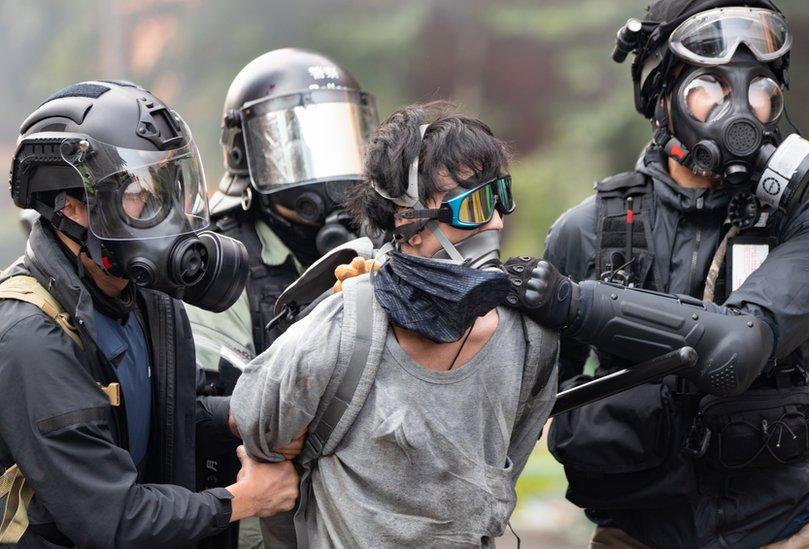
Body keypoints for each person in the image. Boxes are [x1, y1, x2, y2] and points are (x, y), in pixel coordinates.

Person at [502, 1, 809, 546]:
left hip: (783, 531)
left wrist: (578, 305)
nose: (739, 107)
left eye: (759, 87)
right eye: (710, 86)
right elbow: (518, 400)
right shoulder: (588, 230)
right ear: (660, 95)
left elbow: (737, 350)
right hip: (636, 534)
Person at [230, 103, 558, 548]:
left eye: (499, 195)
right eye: (476, 204)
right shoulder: (343, 330)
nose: (497, 221)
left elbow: (508, 460)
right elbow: (254, 418)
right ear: (409, 223)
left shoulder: (531, 337)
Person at [0, 80, 299, 547]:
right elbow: (111, 517)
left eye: (170, 186)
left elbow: (167, 414)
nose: (168, 216)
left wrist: (245, 416)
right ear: (70, 207)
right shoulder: (31, 338)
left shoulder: (145, 297)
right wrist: (244, 500)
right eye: (139, 194)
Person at [182, 48, 378, 547]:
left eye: (339, 140)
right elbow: (206, 407)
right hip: (258, 523)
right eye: (297, 144)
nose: (329, 174)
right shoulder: (218, 263)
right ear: (246, 155)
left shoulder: (376, 244)